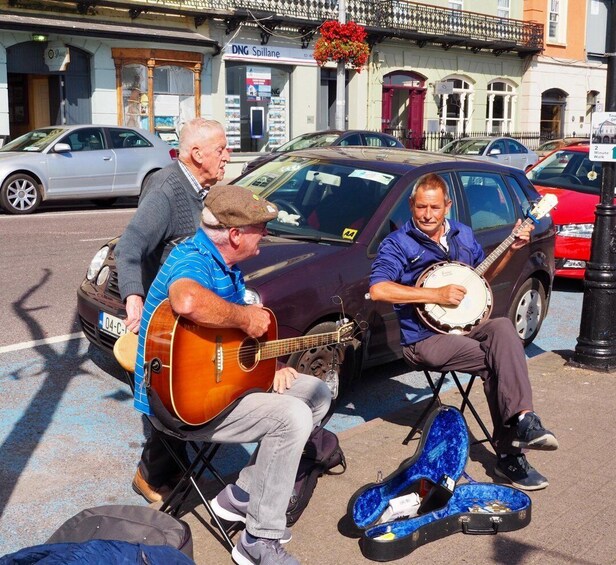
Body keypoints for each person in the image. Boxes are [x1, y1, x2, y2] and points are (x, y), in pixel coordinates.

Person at [133, 185, 331, 565]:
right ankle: (257, 541)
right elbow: (187, 300)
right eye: (261, 227)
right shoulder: (192, 259)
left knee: (315, 394)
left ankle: (240, 495)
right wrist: (245, 316)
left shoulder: (228, 268)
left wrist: (271, 366)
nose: (266, 235)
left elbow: (233, 343)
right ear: (236, 234)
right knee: (290, 418)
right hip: (182, 406)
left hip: (224, 388)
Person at [369, 172, 558, 491]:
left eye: (435, 208)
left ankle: (524, 417)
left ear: (448, 206)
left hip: (465, 328)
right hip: (424, 339)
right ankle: (510, 456)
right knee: (497, 364)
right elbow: (379, 290)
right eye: (420, 207)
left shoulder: (463, 234)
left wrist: (511, 248)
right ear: (411, 205)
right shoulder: (398, 244)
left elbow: (480, 278)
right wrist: (434, 295)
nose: (427, 215)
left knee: (501, 327)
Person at [115, 118, 230, 503]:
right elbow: (129, 247)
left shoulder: (201, 189)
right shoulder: (168, 189)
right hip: (164, 318)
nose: (227, 156)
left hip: (187, 315)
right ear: (197, 154)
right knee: (169, 401)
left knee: (183, 396)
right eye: (222, 149)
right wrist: (134, 297)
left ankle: (169, 474)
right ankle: (152, 477)